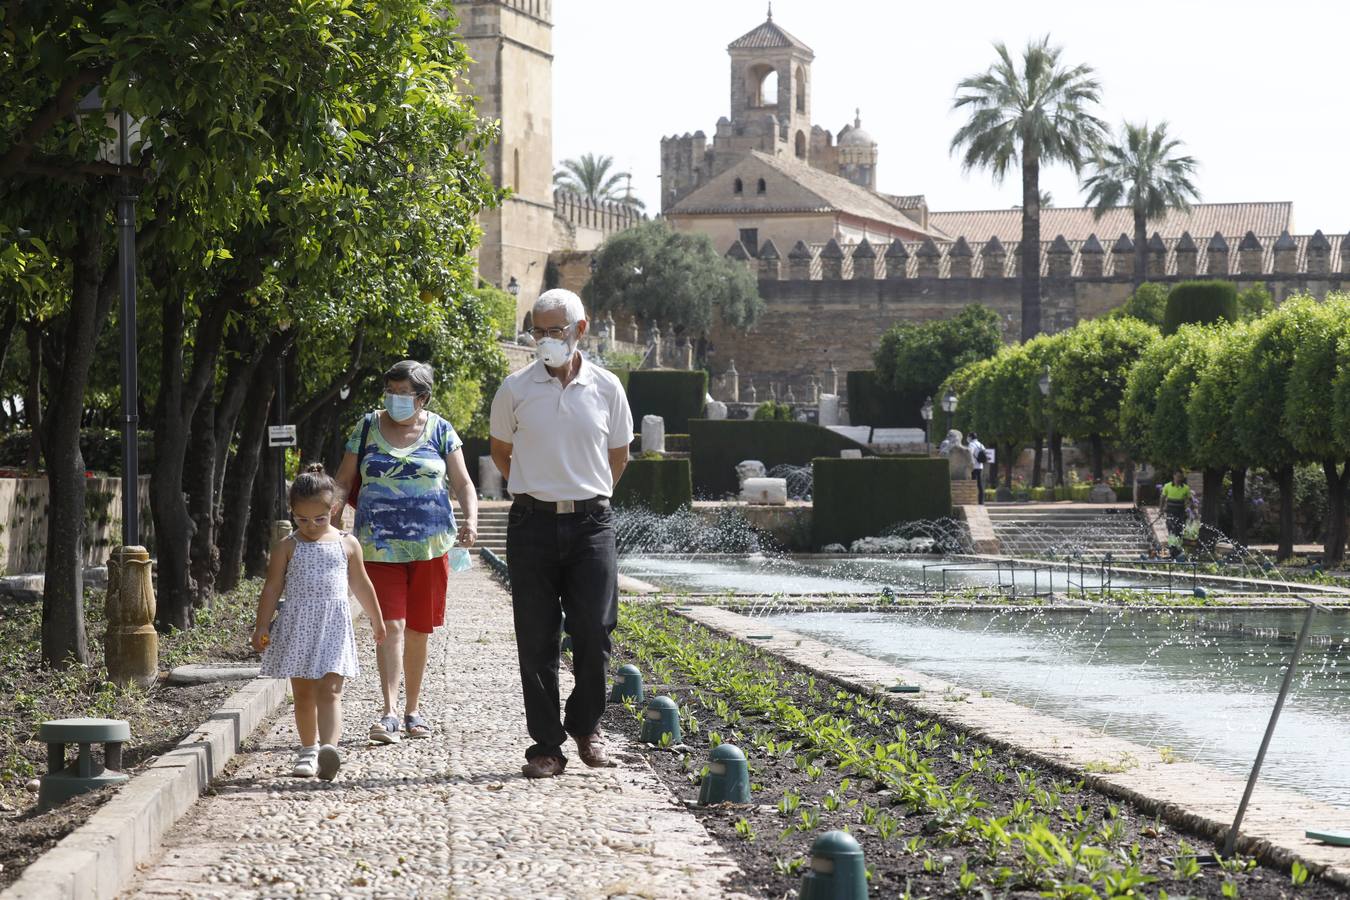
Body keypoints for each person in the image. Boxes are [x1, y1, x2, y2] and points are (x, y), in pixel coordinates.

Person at [489, 289, 633, 779]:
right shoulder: (514, 388)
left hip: (592, 522)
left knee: (595, 629)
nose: (546, 339)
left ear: (581, 330)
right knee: (536, 638)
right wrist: (541, 493)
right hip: (532, 522)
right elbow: (502, 452)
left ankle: (586, 724)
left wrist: (585, 495)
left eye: (556, 330)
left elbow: (619, 456)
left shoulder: (608, 386)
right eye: (539, 331)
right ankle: (546, 745)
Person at [333, 360, 478, 744]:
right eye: (390, 392)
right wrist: (327, 525)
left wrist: (471, 519)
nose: (395, 400)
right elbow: (343, 481)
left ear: (423, 398)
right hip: (378, 548)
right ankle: (390, 711)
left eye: (404, 394)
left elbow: (463, 483)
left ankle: (414, 709)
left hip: (431, 548)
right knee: (390, 626)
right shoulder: (366, 427)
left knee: (418, 629)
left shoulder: (442, 430)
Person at [252, 464, 386, 780]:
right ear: (292, 512)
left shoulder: (347, 543)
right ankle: (308, 749)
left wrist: (377, 618)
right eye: (302, 519)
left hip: (334, 628)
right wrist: (262, 625)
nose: (310, 526)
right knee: (303, 693)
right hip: (298, 627)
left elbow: (362, 584)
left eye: (319, 519)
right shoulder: (287, 546)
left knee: (331, 690)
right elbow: (272, 587)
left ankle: (329, 749)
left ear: (334, 509)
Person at [1159, 469, 1192, 552]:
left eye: (1180, 477)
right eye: (1177, 476)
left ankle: (1178, 548)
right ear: (1174, 476)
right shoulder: (1167, 486)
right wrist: (1161, 510)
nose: (1178, 478)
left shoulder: (1186, 488)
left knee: (1179, 530)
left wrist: (1188, 508)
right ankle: (1172, 548)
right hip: (1170, 512)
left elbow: (1189, 500)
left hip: (1181, 513)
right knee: (1171, 529)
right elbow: (1162, 498)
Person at [966, 431, 987, 503]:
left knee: (973, 483)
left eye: (968, 436)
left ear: (971, 437)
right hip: (980, 466)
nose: (967, 438)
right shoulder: (981, 445)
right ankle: (981, 501)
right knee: (980, 484)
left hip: (973, 466)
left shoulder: (971, 444)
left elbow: (969, 455)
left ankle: (972, 500)